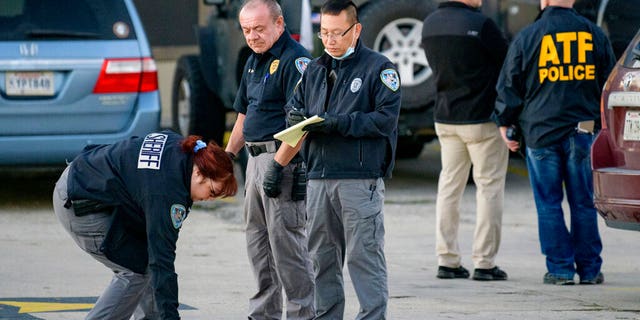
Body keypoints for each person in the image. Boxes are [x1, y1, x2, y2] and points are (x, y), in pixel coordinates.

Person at [269, 1, 401, 318]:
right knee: (321, 259)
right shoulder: (314, 69)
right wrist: (296, 117)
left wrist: (338, 123)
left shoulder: (379, 69)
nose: (329, 40)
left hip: (359, 179)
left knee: (363, 256)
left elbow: (384, 120)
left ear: (356, 30)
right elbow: (294, 108)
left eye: (337, 33)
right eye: (324, 33)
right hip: (317, 179)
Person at [53, 131, 237, 320]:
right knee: (134, 271)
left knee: (145, 261)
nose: (209, 199)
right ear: (199, 173)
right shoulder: (165, 195)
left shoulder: (181, 147)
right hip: (80, 201)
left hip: (87, 175)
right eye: (213, 191)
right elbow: (162, 260)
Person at [493, 0, 615, 285]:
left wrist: (504, 123)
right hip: (583, 131)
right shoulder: (593, 34)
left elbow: (510, 84)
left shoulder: (529, 35)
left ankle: (560, 269)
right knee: (584, 203)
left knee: (548, 203)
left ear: (543, 1)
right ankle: (589, 270)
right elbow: (609, 82)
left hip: (540, 132)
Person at [223, 0, 316, 318]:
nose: (252, 36)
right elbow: (243, 115)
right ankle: (263, 313)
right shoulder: (253, 61)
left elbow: (302, 124)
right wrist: (227, 156)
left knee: (287, 246)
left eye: (259, 28)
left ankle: (302, 313)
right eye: (246, 30)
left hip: (281, 162)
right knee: (258, 243)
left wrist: (279, 164)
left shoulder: (297, 62)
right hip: (253, 161)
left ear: (279, 24)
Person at [421, 0, 510, 281]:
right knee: (489, 188)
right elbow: (507, 64)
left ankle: (447, 260)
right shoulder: (482, 24)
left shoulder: (430, 24)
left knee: (449, 187)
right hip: (482, 119)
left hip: (446, 117)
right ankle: (484, 263)